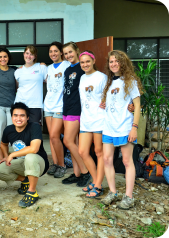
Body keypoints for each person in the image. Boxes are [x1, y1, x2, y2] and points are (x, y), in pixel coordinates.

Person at [100, 50, 143, 209]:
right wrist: (105, 105)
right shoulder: (109, 82)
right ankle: (112, 192)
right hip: (109, 127)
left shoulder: (130, 81)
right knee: (107, 160)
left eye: (117, 61)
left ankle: (129, 197)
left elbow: (137, 106)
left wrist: (134, 128)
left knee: (126, 161)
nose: (113, 64)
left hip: (125, 127)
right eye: (111, 62)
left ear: (123, 63)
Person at [0, 102, 49, 207]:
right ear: (11, 117)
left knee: (30, 156)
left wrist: (12, 154)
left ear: (28, 117)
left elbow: (34, 149)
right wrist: (6, 156)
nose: (18, 118)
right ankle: (25, 180)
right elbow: (3, 143)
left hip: (39, 163)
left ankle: (32, 192)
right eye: (15, 115)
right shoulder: (9, 130)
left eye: (22, 115)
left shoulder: (34, 126)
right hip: (22, 163)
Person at [77, 51, 107, 198]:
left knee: (99, 152)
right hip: (86, 120)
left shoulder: (102, 77)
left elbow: (110, 96)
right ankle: (95, 180)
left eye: (88, 61)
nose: (85, 64)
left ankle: (98, 185)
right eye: (82, 62)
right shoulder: (82, 77)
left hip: (99, 119)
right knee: (82, 151)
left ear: (93, 60)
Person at [61, 42, 91, 187]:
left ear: (77, 51)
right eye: (65, 53)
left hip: (76, 109)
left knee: (67, 141)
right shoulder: (67, 70)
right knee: (74, 143)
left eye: (70, 52)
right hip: (66, 108)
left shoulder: (82, 68)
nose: (68, 55)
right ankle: (77, 173)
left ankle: (86, 172)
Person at [44, 42, 71, 178]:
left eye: (55, 51)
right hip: (48, 105)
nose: (53, 54)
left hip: (60, 106)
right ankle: (55, 163)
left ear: (61, 52)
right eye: (50, 51)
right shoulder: (48, 68)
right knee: (52, 137)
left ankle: (62, 165)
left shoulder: (67, 65)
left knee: (55, 136)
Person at [14, 45, 47, 125]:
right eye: (27, 53)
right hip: (20, 104)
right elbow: (17, 87)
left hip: (35, 105)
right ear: (24, 54)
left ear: (35, 56)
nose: (28, 56)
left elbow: (49, 83)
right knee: (21, 130)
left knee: (34, 129)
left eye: (31, 54)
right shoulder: (18, 71)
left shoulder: (41, 67)